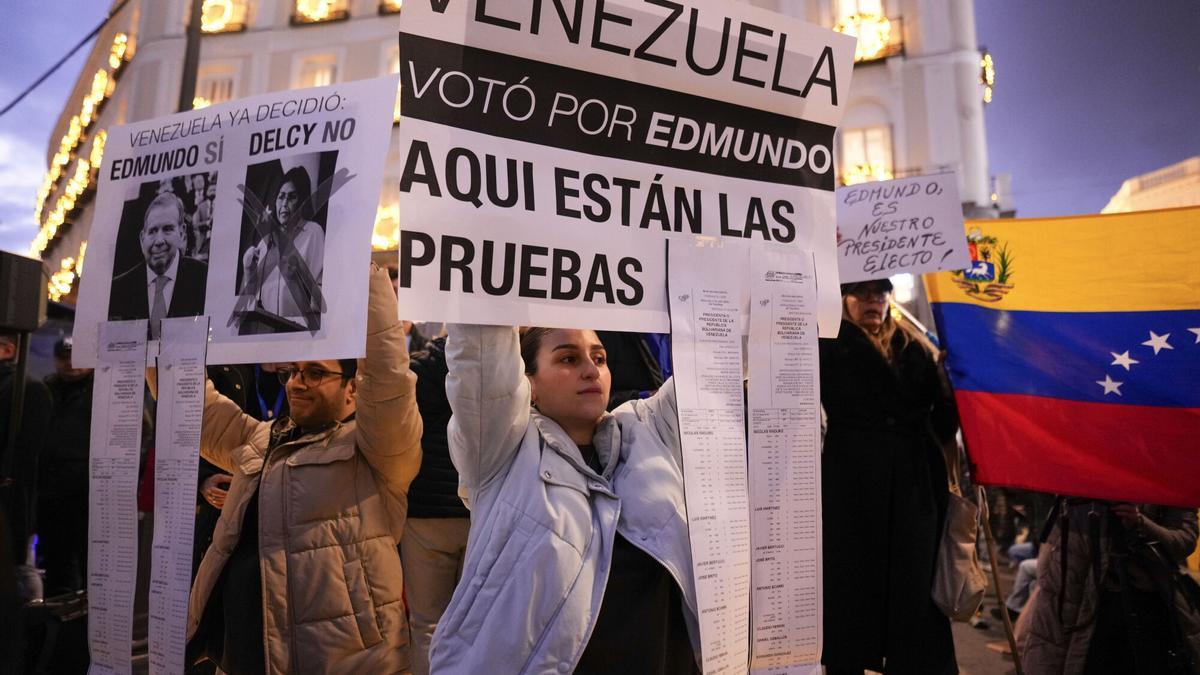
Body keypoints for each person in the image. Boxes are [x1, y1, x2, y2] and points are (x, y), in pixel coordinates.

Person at [181, 264, 422, 674]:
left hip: (339, 661)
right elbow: (190, 409)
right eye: (293, 372)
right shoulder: (262, 438)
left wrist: (363, 274)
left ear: (352, 387)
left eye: (315, 373)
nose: (296, 383)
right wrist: (160, 339)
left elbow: (389, 378)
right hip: (241, 655)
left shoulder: (376, 449)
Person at [429, 324, 700, 674]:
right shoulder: (502, 449)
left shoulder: (648, 428)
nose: (590, 369)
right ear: (529, 384)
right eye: (568, 358)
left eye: (599, 358)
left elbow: (714, 354)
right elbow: (480, 351)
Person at [819, 278, 959, 675]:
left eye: (880, 294)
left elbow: (942, 425)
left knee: (912, 591)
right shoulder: (828, 346)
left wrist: (949, 383)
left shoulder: (915, 349)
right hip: (853, 484)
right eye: (863, 294)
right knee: (851, 587)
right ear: (845, 299)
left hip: (913, 487)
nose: (872, 302)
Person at [1022, 501, 1200, 674]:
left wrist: (1141, 523)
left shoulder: (1166, 481)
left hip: (1138, 603)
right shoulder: (1080, 481)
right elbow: (1056, 535)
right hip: (1071, 590)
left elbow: (1184, 541)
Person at [400, 335, 470, 675]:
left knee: (426, 623)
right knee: (473, 623)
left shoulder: (419, 367)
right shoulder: (493, 367)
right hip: (475, 509)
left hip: (424, 510)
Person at [37, 338, 94, 596]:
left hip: (87, 491)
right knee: (54, 559)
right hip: (50, 490)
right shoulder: (45, 389)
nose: (72, 364)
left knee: (87, 560)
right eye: (65, 358)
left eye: (77, 357)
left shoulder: (104, 389)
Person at [109, 191, 209, 337]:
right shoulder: (118, 289)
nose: (159, 240)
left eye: (167, 229)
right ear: (142, 238)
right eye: (153, 231)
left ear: (182, 234)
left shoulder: (204, 279)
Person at [0, 330, 52, 605]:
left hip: (12, 505)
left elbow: (25, 459)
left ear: (8, 350)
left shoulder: (27, 390)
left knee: (20, 575)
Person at [240, 167, 325, 325]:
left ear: (302, 201)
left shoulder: (313, 232)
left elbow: (318, 293)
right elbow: (251, 302)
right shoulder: (266, 243)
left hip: (299, 330)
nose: (284, 203)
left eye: (291, 197)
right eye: (281, 197)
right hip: (267, 330)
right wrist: (248, 271)